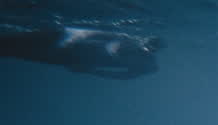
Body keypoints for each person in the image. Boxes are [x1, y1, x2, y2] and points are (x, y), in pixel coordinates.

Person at [0, 25, 164, 79]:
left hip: (70, 57)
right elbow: (87, 32)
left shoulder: (147, 65)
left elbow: (124, 76)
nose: (146, 49)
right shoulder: (125, 38)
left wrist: (91, 71)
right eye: (148, 45)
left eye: (152, 49)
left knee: (14, 52)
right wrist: (70, 40)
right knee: (11, 41)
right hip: (64, 39)